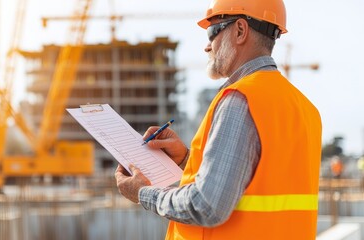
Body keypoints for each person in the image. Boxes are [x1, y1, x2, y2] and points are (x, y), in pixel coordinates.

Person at [115, 0, 322, 239]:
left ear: (240, 30)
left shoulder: (241, 99)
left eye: (212, 31)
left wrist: (144, 193)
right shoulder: (304, 108)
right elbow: (259, 182)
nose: (207, 46)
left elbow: (207, 205)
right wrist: (186, 159)